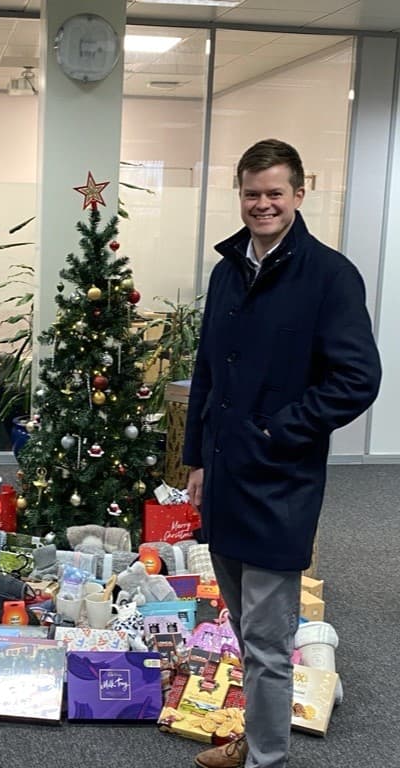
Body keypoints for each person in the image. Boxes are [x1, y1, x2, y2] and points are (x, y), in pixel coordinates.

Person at [183, 139, 381, 768]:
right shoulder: (225, 270)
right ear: (239, 195)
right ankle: (259, 732)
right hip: (225, 475)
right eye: (251, 193)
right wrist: (196, 458)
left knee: (269, 640)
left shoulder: (330, 276)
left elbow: (357, 378)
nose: (262, 204)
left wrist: (279, 431)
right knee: (243, 629)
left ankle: (268, 758)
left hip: (280, 480)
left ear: (300, 193)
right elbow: (207, 369)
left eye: (275, 192)